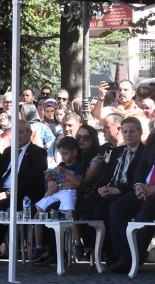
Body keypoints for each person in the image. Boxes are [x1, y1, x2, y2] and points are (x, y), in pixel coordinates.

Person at [76, 117, 144, 263]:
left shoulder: (144, 153)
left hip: (127, 191)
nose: (128, 134)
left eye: (132, 131)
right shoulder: (117, 151)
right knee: (83, 206)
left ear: (140, 132)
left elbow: (139, 179)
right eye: (125, 131)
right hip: (110, 188)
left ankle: (112, 252)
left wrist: (116, 190)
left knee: (104, 208)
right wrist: (102, 188)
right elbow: (107, 175)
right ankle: (94, 247)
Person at [0, 120, 48, 265]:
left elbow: (32, 180)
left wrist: (7, 194)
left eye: (21, 132)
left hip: (25, 196)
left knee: (3, 206)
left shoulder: (39, 153)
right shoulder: (7, 152)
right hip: (0, 193)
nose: (17, 135)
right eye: (15, 132)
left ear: (30, 133)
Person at [29, 137, 84, 262]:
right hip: (57, 191)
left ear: (74, 152)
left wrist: (65, 172)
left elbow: (78, 182)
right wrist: (50, 179)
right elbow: (54, 177)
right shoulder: (62, 165)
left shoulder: (77, 165)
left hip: (68, 192)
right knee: (38, 212)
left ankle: (77, 242)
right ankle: (39, 246)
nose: (63, 157)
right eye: (61, 155)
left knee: (70, 213)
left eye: (65, 154)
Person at [107, 132, 155, 273]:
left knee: (147, 210)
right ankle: (125, 254)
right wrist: (138, 185)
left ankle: (134, 258)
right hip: (145, 188)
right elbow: (142, 166)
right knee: (117, 207)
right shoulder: (153, 138)